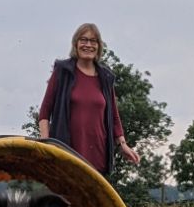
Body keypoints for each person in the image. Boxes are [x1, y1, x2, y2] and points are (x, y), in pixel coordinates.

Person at [38, 23, 140, 175]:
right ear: (76, 44)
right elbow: (45, 112)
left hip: (97, 155)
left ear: (99, 46)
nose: (88, 45)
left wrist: (123, 144)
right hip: (66, 152)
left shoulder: (106, 77)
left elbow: (114, 116)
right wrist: (46, 144)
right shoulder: (62, 72)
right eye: (83, 40)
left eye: (93, 41)